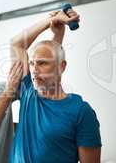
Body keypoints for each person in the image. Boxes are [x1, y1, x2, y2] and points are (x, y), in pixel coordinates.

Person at [9, 9, 102, 163]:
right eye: (32, 63)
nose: (34, 69)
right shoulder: (28, 93)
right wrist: (50, 21)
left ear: (62, 66)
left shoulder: (81, 112)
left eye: (42, 63)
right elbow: (16, 44)